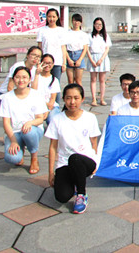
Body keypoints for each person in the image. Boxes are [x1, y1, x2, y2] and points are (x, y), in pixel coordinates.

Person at [46, 84, 101, 214]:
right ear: (64, 99)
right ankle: (75, 183)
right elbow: (53, 147)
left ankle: (81, 194)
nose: (72, 102)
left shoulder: (90, 118)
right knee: (62, 197)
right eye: (68, 98)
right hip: (65, 162)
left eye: (76, 98)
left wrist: (96, 163)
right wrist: (51, 172)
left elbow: (94, 143)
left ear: (82, 99)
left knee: (75, 158)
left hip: (85, 161)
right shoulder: (57, 119)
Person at [0, 66, 47, 174]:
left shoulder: (36, 95)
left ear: (29, 79)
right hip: (15, 132)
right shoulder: (7, 98)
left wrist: (30, 123)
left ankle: (34, 157)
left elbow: (40, 119)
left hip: (32, 130)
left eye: (24, 77)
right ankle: (20, 150)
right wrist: (13, 141)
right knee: (12, 158)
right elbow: (6, 123)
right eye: (18, 77)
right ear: (13, 79)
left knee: (29, 132)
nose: (21, 80)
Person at [36, 8, 68, 92]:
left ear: (57, 17)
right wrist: (39, 61)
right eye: (49, 16)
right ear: (46, 17)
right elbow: (39, 47)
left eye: (54, 16)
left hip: (57, 62)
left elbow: (63, 47)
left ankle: (55, 100)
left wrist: (64, 63)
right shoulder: (42, 30)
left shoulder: (61, 30)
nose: (51, 19)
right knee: (43, 84)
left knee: (55, 84)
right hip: (45, 62)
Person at [86, 17, 111, 106]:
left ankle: (102, 99)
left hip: (102, 58)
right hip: (93, 57)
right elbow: (87, 49)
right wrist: (92, 60)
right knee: (93, 79)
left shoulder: (105, 36)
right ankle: (94, 99)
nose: (98, 26)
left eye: (100, 24)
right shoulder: (90, 36)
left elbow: (107, 49)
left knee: (102, 80)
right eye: (97, 24)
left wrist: (101, 59)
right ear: (94, 25)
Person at [31, 54, 61, 124]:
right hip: (36, 106)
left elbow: (52, 100)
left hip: (50, 107)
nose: (47, 65)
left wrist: (47, 110)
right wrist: (37, 74)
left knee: (52, 120)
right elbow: (33, 92)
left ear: (53, 65)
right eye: (45, 63)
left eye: (49, 63)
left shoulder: (54, 80)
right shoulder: (35, 77)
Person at [66, 13, 89, 87]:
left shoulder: (83, 34)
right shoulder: (67, 33)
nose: (76, 23)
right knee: (70, 81)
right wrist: (68, 59)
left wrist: (80, 60)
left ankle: (80, 94)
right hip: (69, 54)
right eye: (74, 21)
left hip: (79, 55)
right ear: (72, 21)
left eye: (78, 21)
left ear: (81, 22)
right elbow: (64, 47)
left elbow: (85, 48)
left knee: (78, 81)